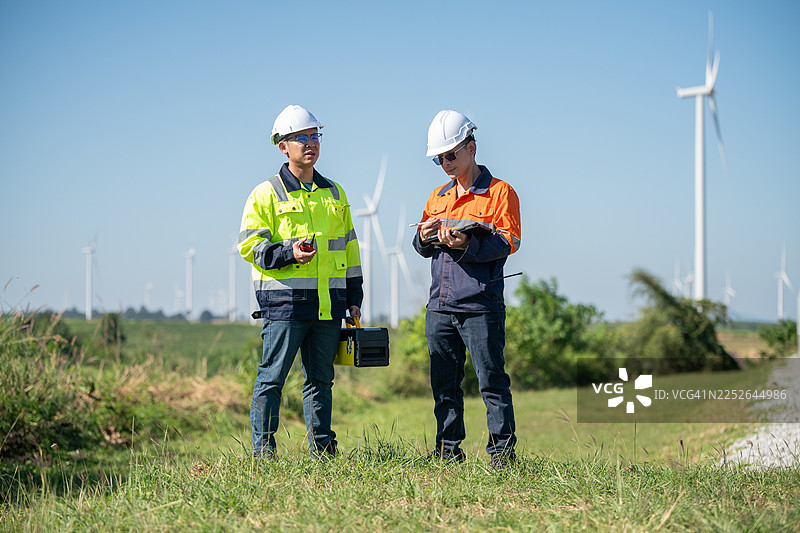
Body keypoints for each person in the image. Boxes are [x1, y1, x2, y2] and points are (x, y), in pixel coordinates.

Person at [238, 105, 363, 458]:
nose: (310, 144)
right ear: (283, 146)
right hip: (284, 306)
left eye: (314, 136)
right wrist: (289, 253)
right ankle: (263, 453)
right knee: (272, 379)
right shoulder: (265, 193)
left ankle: (322, 450)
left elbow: (350, 248)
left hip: (328, 304)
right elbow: (251, 245)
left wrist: (355, 295)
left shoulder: (335, 193)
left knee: (321, 381)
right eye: (300, 138)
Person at [412, 109, 522, 470]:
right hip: (440, 305)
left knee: (491, 382)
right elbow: (421, 246)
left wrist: (465, 244)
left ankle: (502, 457)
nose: (445, 163)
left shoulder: (501, 193)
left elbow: (508, 242)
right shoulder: (437, 196)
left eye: (450, 155)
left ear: (471, 148)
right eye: (439, 158)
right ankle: (448, 451)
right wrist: (423, 237)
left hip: (480, 304)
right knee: (444, 384)